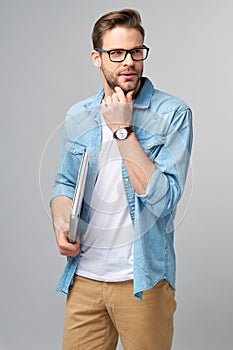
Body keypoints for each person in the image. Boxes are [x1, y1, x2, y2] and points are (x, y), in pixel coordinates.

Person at [50, 8, 193, 350]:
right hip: (84, 278)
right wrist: (60, 220)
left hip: (142, 281)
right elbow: (63, 184)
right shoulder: (78, 116)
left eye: (135, 51)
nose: (128, 62)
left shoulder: (172, 114)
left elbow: (163, 200)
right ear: (97, 58)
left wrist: (123, 130)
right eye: (116, 53)